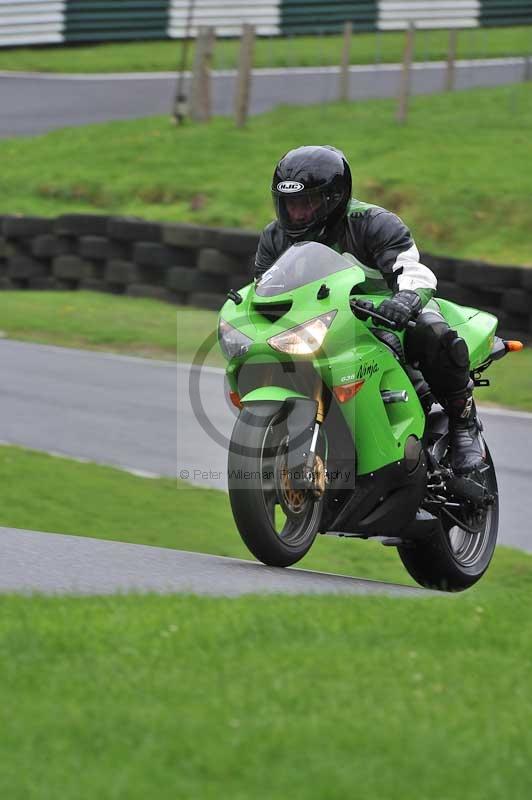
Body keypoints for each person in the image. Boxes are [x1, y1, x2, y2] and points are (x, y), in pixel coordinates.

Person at [253, 145, 485, 474]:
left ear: (334, 199)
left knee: (432, 329)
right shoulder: (275, 237)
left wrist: (405, 301)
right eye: (290, 204)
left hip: (389, 318)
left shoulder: (374, 223)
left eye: (307, 203)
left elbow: (413, 271)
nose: (298, 214)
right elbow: (262, 290)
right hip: (324, 325)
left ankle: (464, 425)